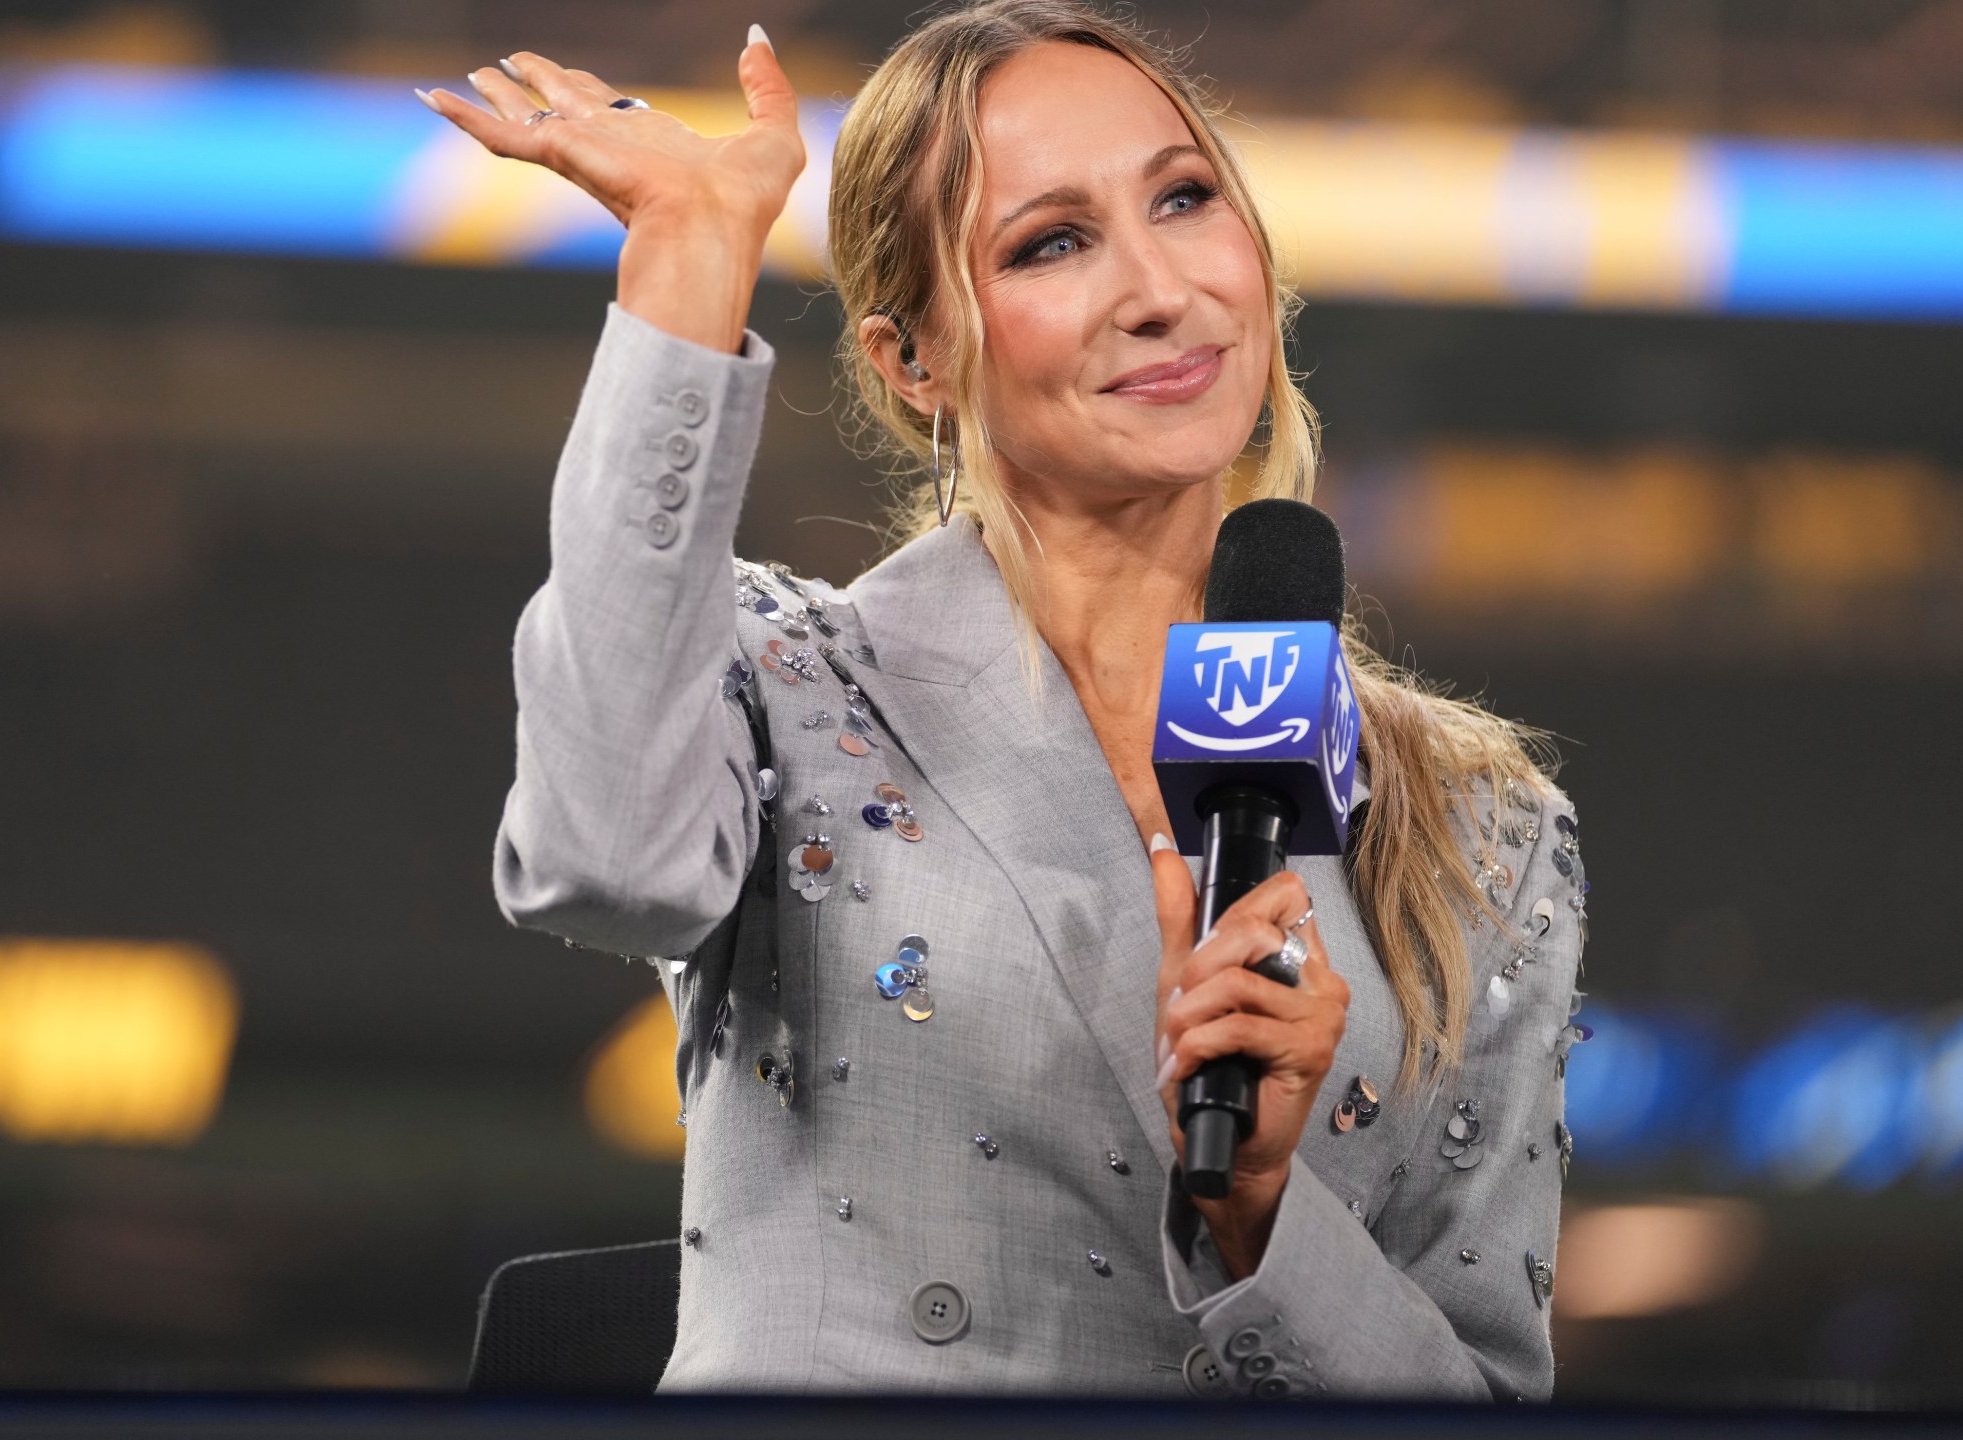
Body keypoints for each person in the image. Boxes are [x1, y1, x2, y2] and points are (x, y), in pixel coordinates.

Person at [427, 0, 1587, 1399]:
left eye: (1184, 198)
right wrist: (686, 256)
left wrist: (1262, 1210)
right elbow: (599, 864)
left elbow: (1487, 1395)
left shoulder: (1482, 833)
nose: (1160, 288)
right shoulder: (785, 684)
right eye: (1054, 242)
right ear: (913, 361)